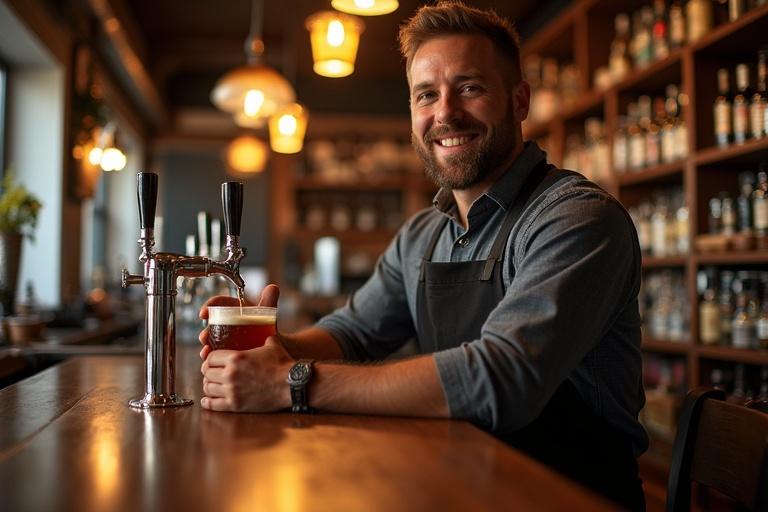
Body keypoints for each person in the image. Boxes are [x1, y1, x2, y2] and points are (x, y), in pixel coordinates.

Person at [199, 2, 647, 509]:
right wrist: (276, 350)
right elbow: (355, 331)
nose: (445, 113)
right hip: (457, 484)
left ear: (519, 100)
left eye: (470, 88)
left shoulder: (576, 219)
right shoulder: (422, 233)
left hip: (569, 495)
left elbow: (503, 378)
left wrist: (293, 382)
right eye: (426, 95)